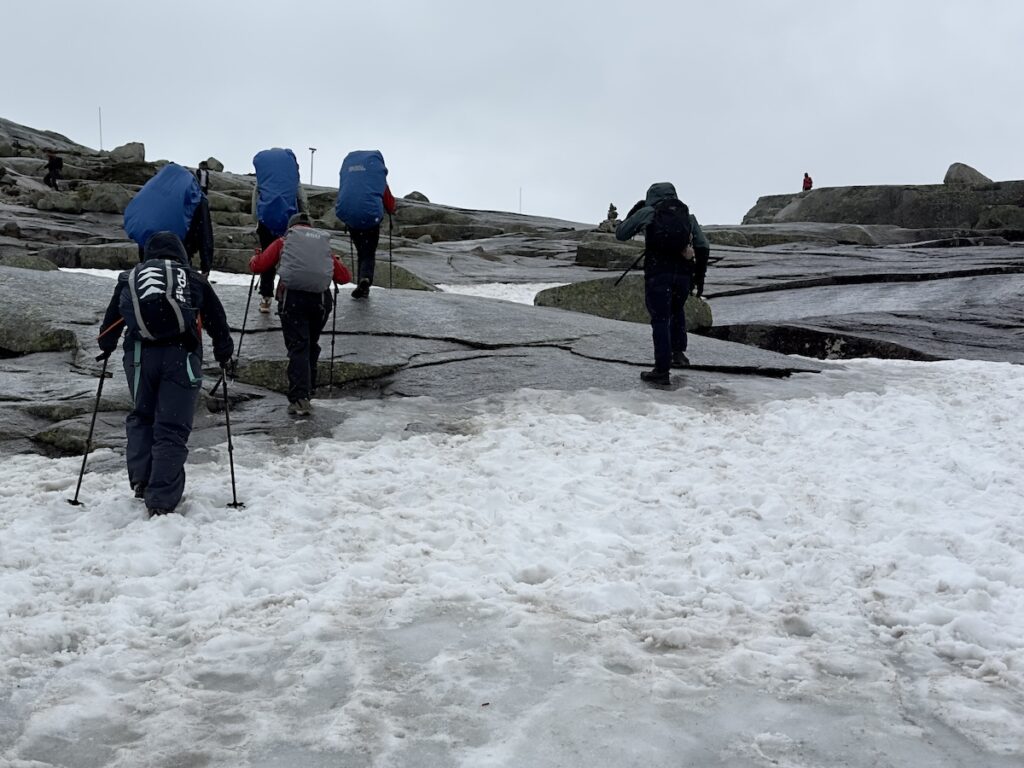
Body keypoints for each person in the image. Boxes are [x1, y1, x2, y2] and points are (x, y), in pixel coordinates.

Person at [97, 231, 234, 517]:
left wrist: (106, 347)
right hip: (180, 357)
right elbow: (217, 321)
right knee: (171, 427)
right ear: (180, 254)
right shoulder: (192, 278)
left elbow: (110, 327)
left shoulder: (129, 278)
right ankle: (161, 498)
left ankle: (142, 481)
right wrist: (224, 353)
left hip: (138, 358)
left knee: (142, 417)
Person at [249, 212, 352, 416]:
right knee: (310, 345)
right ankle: (308, 390)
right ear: (310, 227)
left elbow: (259, 266)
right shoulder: (322, 246)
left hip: (293, 300)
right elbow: (344, 277)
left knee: (298, 347)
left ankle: (299, 398)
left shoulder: (284, 241)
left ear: (291, 227)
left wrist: (254, 258)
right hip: (321, 301)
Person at [615, 182, 711, 385]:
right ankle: (679, 355)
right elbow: (703, 244)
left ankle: (661, 370)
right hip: (683, 275)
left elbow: (621, 233)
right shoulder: (687, 215)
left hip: (658, 272)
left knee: (660, 319)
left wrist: (635, 212)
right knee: (677, 310)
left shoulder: (649, 211)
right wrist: (698, 276)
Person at [123, 163, 214, 276]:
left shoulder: (153, 194)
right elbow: (205, 235)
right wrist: (206, 267)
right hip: (180, 256)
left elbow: (144, 224)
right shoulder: (197, 197)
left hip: (150, 258)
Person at [334, 150, 397, 299]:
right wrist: (392, 209)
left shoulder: (350, 178)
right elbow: (388, 199)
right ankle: (365, 280)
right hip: (370, 217)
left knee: (361, 250)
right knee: (368, 252)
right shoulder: (377, 178)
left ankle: (362, 282)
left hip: (352, 217)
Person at [252, 148, 308, 314]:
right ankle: (285, 298)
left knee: (268, 259)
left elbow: (256, 200)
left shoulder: (263, 180)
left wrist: (257, 221)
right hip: (289, 222)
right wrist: (305, 218)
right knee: (289, 260)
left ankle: (265, 298)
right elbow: (301, 198)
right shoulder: (292, 180)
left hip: (266, 223)